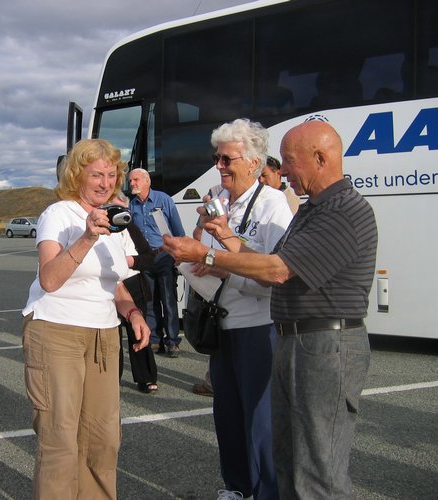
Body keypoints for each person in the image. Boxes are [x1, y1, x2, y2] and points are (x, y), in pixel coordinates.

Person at [162, 120, 378, 500]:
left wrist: (208, 254)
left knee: (318, 468)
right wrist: (225, 236)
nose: (283, 170)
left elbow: (277, 271)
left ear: (321, 158)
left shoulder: (342, 210)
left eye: (291, 161)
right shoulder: (315, 210)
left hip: (325, 344)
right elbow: (274, 259)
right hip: (299, 340)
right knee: (291, 457)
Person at [22, 139, 151, 499]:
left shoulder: (114, 220)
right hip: (56, 331)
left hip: (104, 335)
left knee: (103, 437)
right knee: (60, 437)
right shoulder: (59, 214)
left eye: (112, 174)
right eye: (97, 174)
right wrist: (87, 236)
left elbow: (114, 284)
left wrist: (133, 312)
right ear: (77, 175)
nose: (105, 182)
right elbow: (49, 278)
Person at [186, 119, 294, 499]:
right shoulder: (219, 199)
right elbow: (203, 249)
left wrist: (218, 255)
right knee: (227, 415)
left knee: (260, 420)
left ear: (252, 161)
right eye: (217, 158)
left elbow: (275, 269)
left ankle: (268, 493)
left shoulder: (273, 205)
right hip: (220, 322)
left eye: (227, 159)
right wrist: (200, 241)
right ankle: (237, 488)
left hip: (257, 325)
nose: (220, 166)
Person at [128, 167, 185, 357]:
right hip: (145, 258)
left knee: (168, 300)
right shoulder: (132, 205)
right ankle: (154, 339)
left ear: (147, 181)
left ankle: (172, 341)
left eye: (136, 180)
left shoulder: (164, 200)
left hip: (164, 256)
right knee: (150, 300)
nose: (132, 183)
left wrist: (178, 255)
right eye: (130, 181)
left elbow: (178, 230)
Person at [112, 192, 158, 394]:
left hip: (132, 282)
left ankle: (146, 377)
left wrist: (130, 261)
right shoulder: (101, 229)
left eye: (121, 210)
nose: (117, 215)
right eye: (112, 210)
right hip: (107, 285)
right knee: (111, 336)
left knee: (138, 332)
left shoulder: (131, 228)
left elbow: (148, 257)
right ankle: (113, 378)